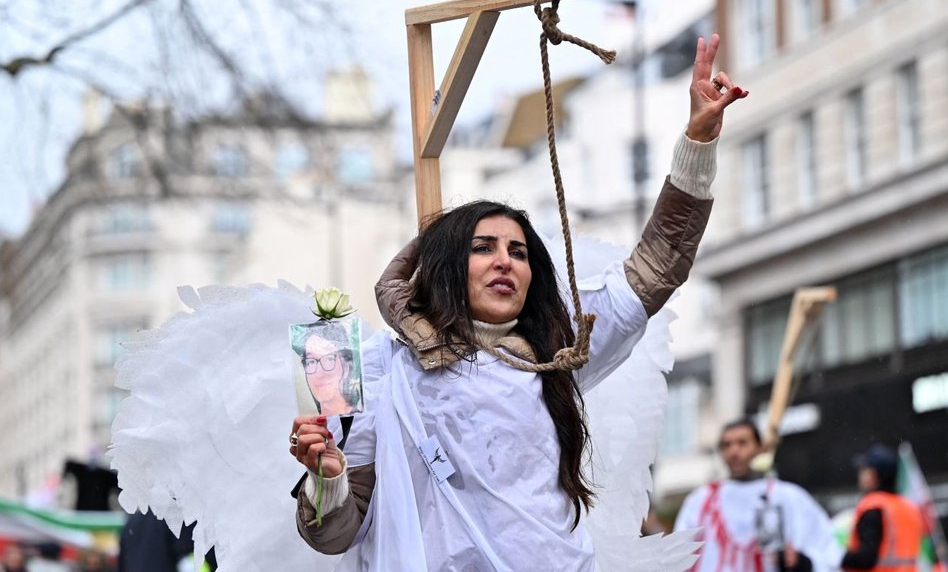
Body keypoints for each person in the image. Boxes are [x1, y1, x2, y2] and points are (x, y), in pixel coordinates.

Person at [287, 33, 747, 571]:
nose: (505, 261)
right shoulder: (373, 372)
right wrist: (326, 478)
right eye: (482, 248)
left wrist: (697, 140)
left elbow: (657, 266)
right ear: (444, 270)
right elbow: (334, 534)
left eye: (519, 252)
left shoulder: (558, 349)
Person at [674, 418, 843, 572]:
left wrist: (803, 562)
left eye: (742, 443)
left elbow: (829, 552)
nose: (734, 451)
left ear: (760, 448)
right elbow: (677, 556)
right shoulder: (700, 501)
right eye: (727, 445)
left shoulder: (790, 497)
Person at [842, 443, 924, 572]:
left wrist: (837, 556)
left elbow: (866, 559)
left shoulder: (873, 507)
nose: (860, 474)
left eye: (864, 469)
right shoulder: (910, 508)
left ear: (874, 476)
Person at [295, 323, 363, 415]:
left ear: (346, 367)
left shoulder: (365, 422)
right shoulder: (304, 425)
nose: (319, 374)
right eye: (311, 362)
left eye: (329, 359)